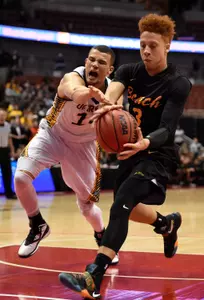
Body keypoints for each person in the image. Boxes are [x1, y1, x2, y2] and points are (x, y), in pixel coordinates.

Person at [58, 14, 192, 299]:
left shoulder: (179, 82)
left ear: (167, 45)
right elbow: (114, 93)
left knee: (120, 202)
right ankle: (166, 224)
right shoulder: (130, 71)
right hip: (129, 151)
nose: (146, 51)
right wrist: (109, 107)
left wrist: (144, 142)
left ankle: (93, 276)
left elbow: (168, 129)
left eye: (153, 46)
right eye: (142, 44)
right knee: (127, 208)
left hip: (157, 154)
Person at [14, 45, 120, 264]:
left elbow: (115, 121)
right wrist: (89, 93)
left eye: (101, 63)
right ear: (85, 61)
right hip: (53, 134)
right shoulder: (71, 78)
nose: (94, 65)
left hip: (84, 146)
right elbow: (74, 92)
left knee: (87, 206)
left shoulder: (113, 92)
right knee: (20, 177)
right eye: (91, 60)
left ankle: (102, 235)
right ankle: (37, 224)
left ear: (109, 70)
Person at [0, 107, 16, 199]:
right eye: (0, 115)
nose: (2, 117)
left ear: (6, 116)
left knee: (7, 172)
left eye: (3, 115)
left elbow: (10, 139)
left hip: (5, 150)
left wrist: (12, 150)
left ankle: (9, 193)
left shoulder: (7, 125)